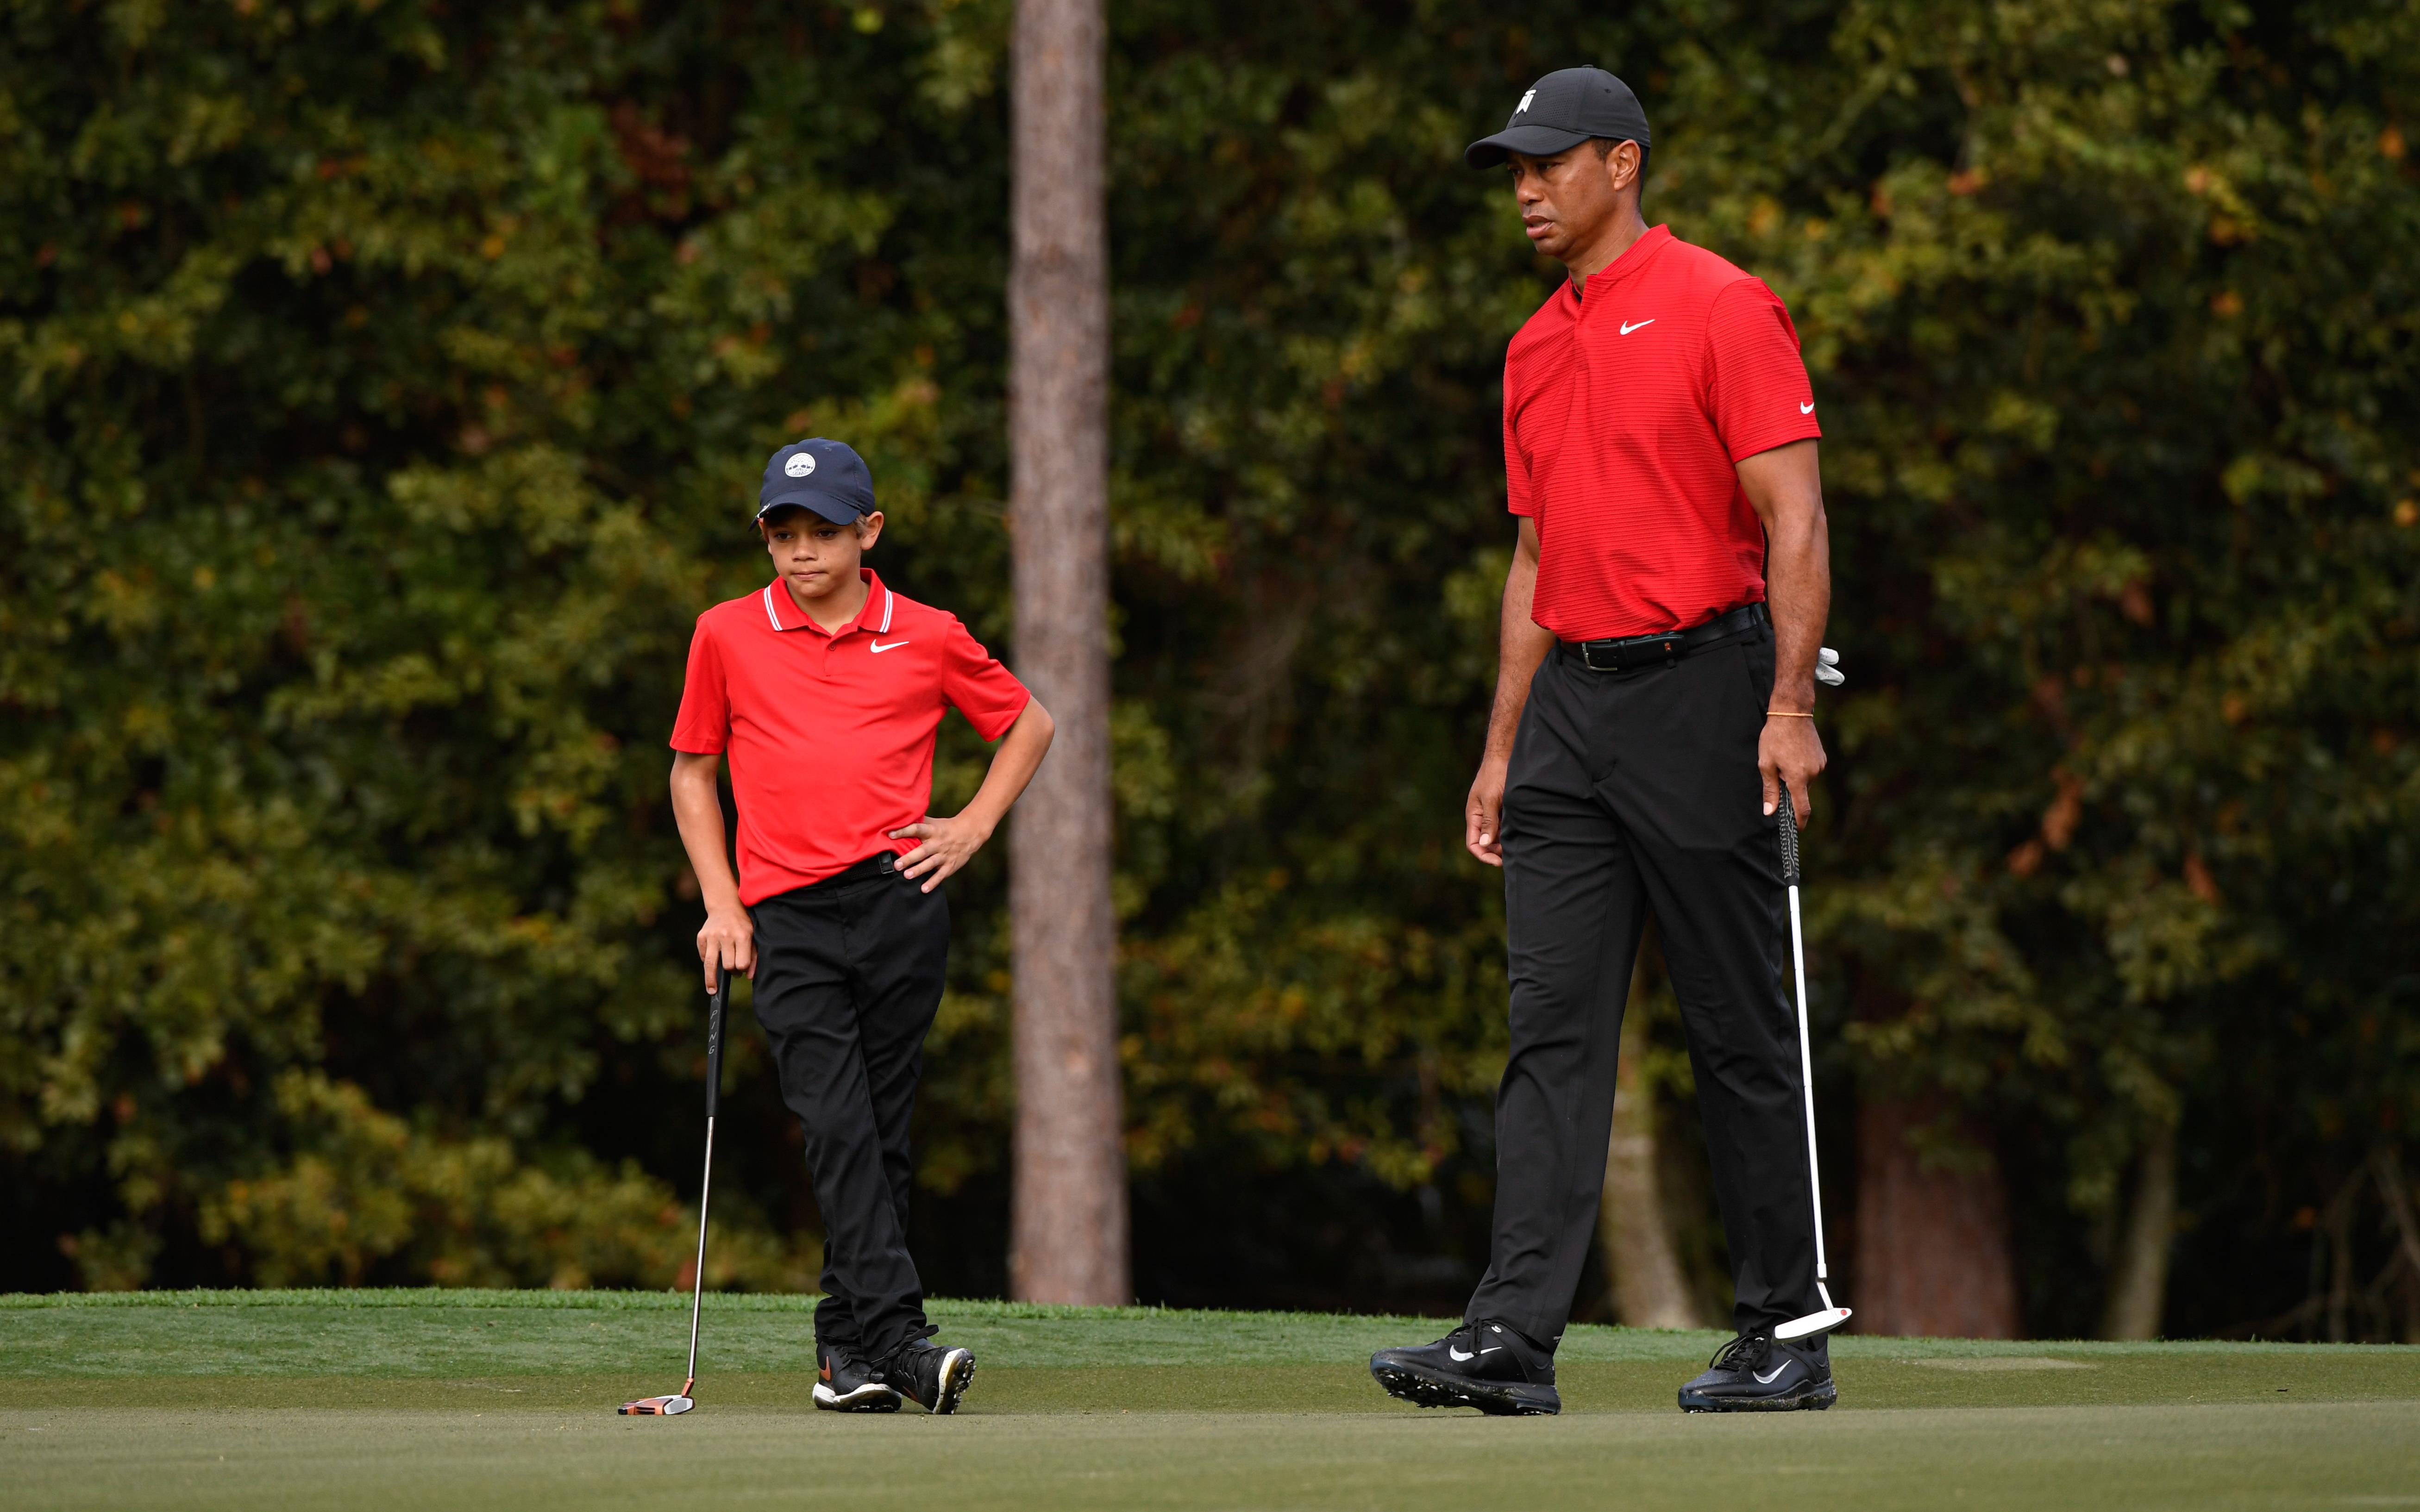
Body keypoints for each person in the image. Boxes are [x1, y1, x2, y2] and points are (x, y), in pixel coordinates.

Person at [1369, 67, 1839, 1416]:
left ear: (1621, 164)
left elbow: (1796, 519)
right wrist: (1501, 746)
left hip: (1706, 688)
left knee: (1736, 1022)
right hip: (1569, 712)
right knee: (1550, 1031)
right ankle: (1511, 1336)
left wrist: (1789, 707)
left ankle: (1785, 1330)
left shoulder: (1723, 304)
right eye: (1515, 171)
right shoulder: (1532, 347)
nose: (1526, 191)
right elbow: (1534, 560)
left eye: (1549, 164)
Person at [667, 438, 1055, 1415]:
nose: (801, 551)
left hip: (897, 901)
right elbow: (692, 774)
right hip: (786, 917)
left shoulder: (926, 632)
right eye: (782, 533)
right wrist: (722, 902)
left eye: (824, 532)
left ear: (868, 532)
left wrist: (973, 826)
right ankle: (904, 1342)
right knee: (838, 1124)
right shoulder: (725, 632)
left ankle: (846, 1354)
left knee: (881, 1135)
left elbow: (1029, 724)